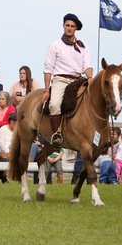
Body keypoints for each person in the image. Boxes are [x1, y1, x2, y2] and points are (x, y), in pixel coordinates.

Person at [42, 13, 93, 146]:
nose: (69, 28)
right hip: (61, 80)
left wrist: (90, 77)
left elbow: (87, 65)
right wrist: (46, 90)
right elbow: (48, 69)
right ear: (63, 26)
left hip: (78, 80)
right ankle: (56, 134)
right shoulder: (54, 45)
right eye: (67, 25)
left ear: (76, 28)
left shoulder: (83, 46)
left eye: (72, 26)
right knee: (54, 105)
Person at [0, 112, 17, 183]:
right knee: (3, 157)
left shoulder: (20, 130)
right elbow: (1, 142)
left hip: (15, 150)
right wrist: (8, 152)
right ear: (9, 121)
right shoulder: (3, 128)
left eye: (16, 121)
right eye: (13, 120)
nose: (14, 122)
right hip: (4, 150)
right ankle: (3, 179)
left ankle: (17, 178)